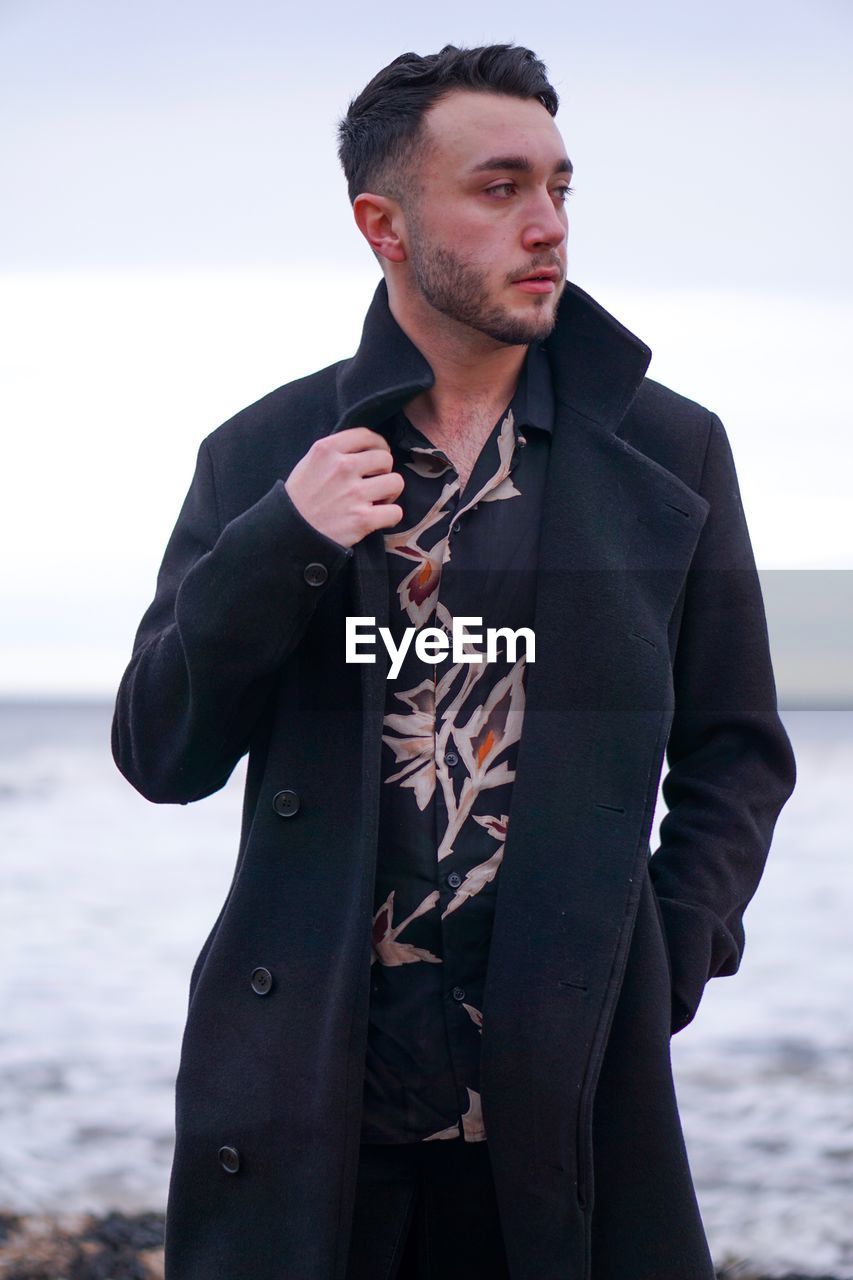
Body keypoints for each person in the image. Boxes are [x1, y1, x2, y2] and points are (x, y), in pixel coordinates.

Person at [111, 43, 797, 1280]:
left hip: (568, 1095)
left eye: (560, 187)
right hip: (315, 1105)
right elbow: (162, 751)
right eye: (498, 189)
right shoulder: (268, 451)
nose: (546, 226)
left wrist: (666, 952)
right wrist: (283, 538)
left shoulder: (669, 452)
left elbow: (735, 750)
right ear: (384, 224)